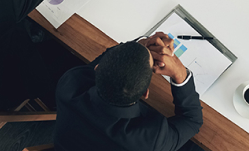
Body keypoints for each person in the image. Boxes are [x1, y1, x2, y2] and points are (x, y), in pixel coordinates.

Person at [53, 32, 203, 151]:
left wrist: (141, 45)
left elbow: (105, 61)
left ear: (97, 69)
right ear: (145, 93)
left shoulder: (70, 85)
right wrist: (179, 73)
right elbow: (192, 120)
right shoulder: (151, 140)